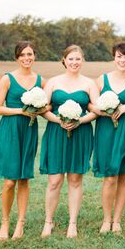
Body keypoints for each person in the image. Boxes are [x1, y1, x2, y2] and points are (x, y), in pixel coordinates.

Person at [39, 45, 98, 238]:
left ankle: (72, 223)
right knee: (54, 180)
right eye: (71, 59)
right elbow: (43, 108)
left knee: (75, 179)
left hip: (81, 134)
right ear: (64, 60)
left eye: (78, 59)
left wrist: (79, 120)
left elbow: (96, 111)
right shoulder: (53, 82)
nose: (74, 62)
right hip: (56, 132)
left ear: (82, 61)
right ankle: (49, 221)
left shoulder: (89, 84)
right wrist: (59, 120)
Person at [0, 41, 46, 240]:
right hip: (10, 130)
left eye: (30, 54)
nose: (27, 58)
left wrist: (40, 110)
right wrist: (21, 111)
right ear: (17, 57)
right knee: (9, 181)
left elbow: (47, 107)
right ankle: (5, 222)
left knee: (24, 178)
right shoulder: (7, 79)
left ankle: (20, 223)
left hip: (29, 130)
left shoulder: (40, 81)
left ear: (34, 56)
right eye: (23, 55)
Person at [92, 42, 125, 234]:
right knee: (109, 177)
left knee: (124, 175)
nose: (122, 60)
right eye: (119, 56)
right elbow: (90, 105)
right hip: (106, 131)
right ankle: (106, 219)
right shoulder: (101, 80)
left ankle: (117, 220)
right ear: (113, 57)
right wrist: (104, 111)